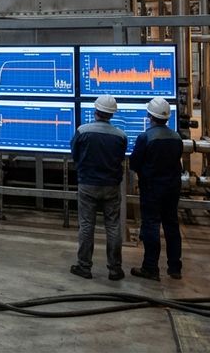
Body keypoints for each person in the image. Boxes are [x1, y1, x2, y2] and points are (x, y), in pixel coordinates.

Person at [69, 95, 128, 280]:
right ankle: (115, 269)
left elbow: (75, 154)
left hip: (87, 184)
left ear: (95, 111)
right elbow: (120, 159)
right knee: (113, 226)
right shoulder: (120, 136)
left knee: (86, 225)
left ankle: (84, 266)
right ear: (112, 114)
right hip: (111, 186)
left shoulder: (82, 131)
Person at [129, 96, 184, 281]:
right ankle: (175, 267)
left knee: (151, 225)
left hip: (152, 188)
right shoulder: (176, 137)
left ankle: (150, 267)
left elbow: (135, 162)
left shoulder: (146, 137)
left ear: (149, 116)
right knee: (172, 225)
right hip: (172, 188)